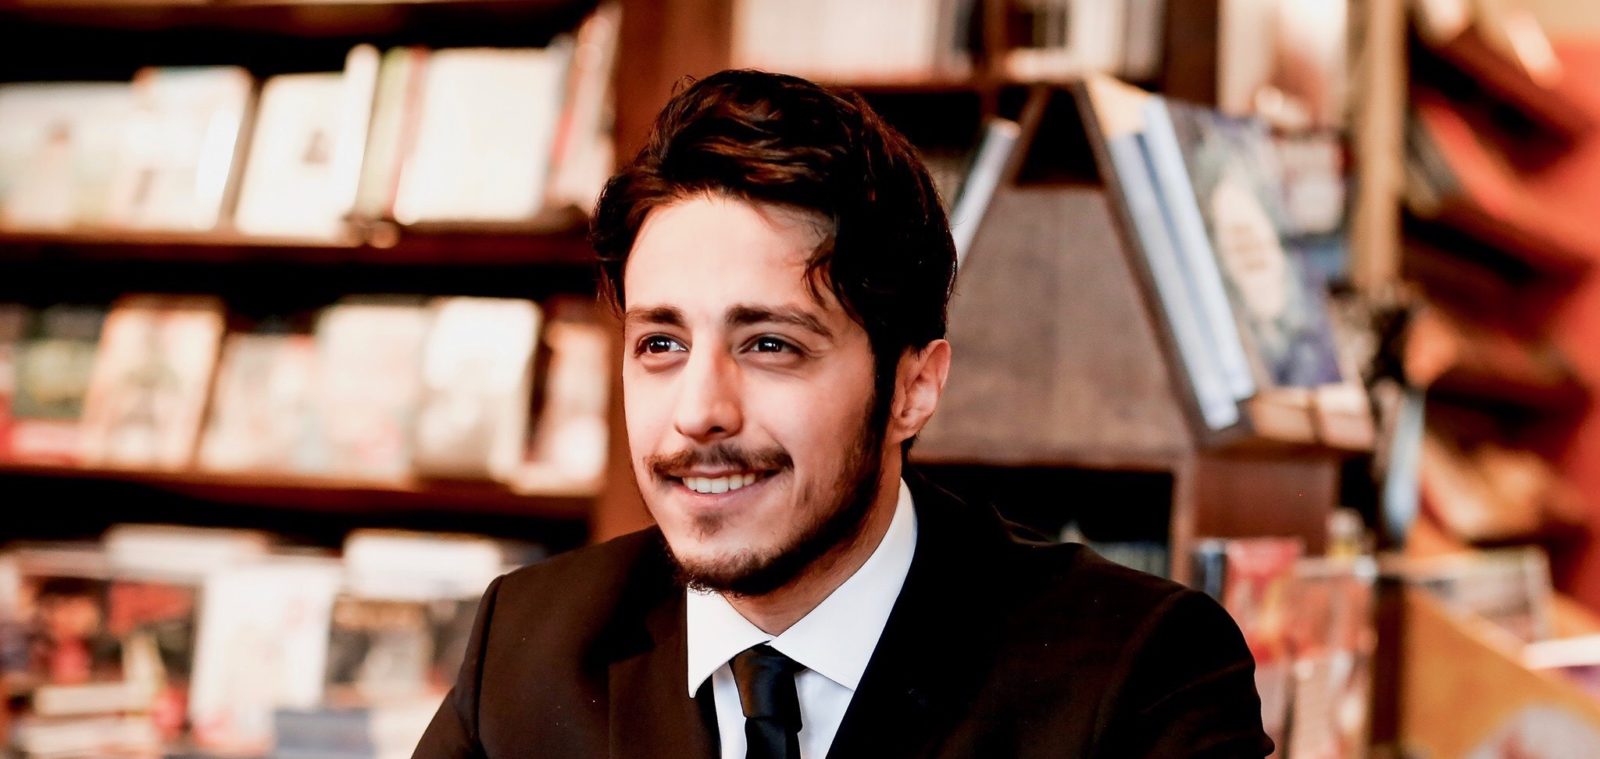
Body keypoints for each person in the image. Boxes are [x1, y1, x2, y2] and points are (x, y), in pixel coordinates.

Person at [413, 69, 1272, 759]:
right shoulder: (527, 647)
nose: (699, 412)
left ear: (913, 388)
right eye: (661, 344)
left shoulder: (1138, 671)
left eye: (770, 345)